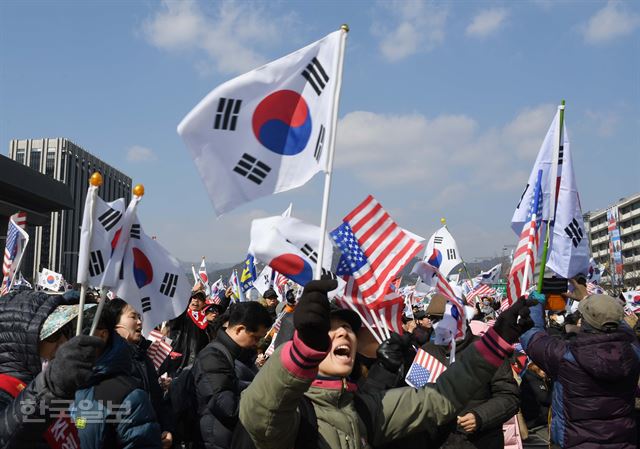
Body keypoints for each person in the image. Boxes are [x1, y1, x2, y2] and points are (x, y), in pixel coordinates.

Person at [239, 280, 535, 449]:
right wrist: (303, 352)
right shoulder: (295, 416)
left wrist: (496, 341)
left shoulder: (364, 408)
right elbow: (262, 410)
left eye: (348, 327)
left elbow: (439, 399)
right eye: (327, 329)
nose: (343, 333)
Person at [520, 293, 640, 449]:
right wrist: (605, 310)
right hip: (623, 441)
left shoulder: (565, 357)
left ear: (583, 321)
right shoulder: (633, 353)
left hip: (574, 442)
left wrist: (535, 305)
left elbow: (531, 335)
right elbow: (623, 329)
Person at [0, 290, 103, 449]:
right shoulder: (4, 393)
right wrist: (50, 387)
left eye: (66, 330)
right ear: (22, 344)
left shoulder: (53, 395)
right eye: (53, 334)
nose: (64, 342)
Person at [71, 306, 162, 448]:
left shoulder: (126, 395)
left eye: (78, 331)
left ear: (102, 335)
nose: (67, 341)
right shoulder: (58, 384)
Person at [421, 325, 520, 449]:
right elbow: (416, 397)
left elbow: (509, 397)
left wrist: (479, 417)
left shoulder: (490, 349)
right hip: (439, 442)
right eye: (435, 318)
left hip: (480, 441)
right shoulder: (426, 352)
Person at [193, 301, 272, 449]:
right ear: (239, 329)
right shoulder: (212, 357)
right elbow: (227, 408)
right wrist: (267, 394)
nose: (257, 343)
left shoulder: (239, 354)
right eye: (255, 337)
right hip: (218, 441)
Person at [107, 298, 174, 449]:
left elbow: (157, 402)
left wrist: (166, 429)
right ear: (116, 323)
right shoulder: (108, 359)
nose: (139, 322)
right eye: (133, 317)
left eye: (139, 317)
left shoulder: (143, 355)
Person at [166, 288, 211, 376]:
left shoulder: (206, 322)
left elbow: (219, 317)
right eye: (193, 297)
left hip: (198, 366)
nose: (196, 300)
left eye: (200, 298)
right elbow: (178, 312)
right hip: (179, 364)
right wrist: (190, 293)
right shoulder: (182, 317)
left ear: (204, 304)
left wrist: (225, 298)